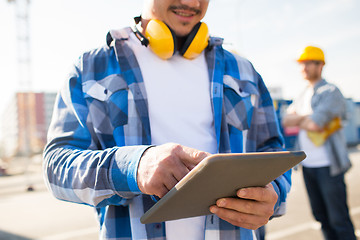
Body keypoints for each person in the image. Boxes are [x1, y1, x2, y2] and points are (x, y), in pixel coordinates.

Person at [43, 0, 291, 239]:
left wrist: (274, 194)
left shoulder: (244, 69)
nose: (191, 2)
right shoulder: (89, 67)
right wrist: (135, 167)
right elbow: (56, 167)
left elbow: (273, 150)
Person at [282, 46, 356, 240]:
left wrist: (300, 118)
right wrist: (307, 118)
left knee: (339, 220)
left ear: (320, 65)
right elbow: (286, 121)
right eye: (302, 64)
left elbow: (315, 124)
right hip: (308, 166)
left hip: (329, 166)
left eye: (309, 63)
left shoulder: (331, 92)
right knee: (321, 217)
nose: (304, 68)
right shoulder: (302, 94)